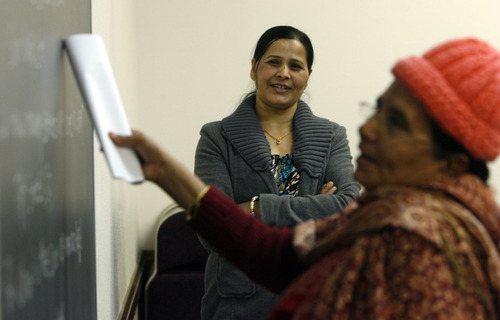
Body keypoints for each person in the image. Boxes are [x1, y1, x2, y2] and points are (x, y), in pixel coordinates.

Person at [111, 37, 500, 319]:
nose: (368, 128)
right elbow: (275, 253)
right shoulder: (384, 215)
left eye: (395, 123)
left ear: (451, 165)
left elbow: (342, 200)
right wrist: (165, 173)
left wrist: (258, 205)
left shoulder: (425, 250)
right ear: (254, 68)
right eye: (378, 110)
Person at [193, 25, 360, 319]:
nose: (284, 73)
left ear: (307, 77)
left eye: (296, 66)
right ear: (254, 67)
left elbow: (348, 209)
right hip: (238, 304)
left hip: (314, 298)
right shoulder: (216, 137)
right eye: (273, 62)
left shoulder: (332, 136)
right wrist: (317, 207)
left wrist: (257, 207)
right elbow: (213, 228)